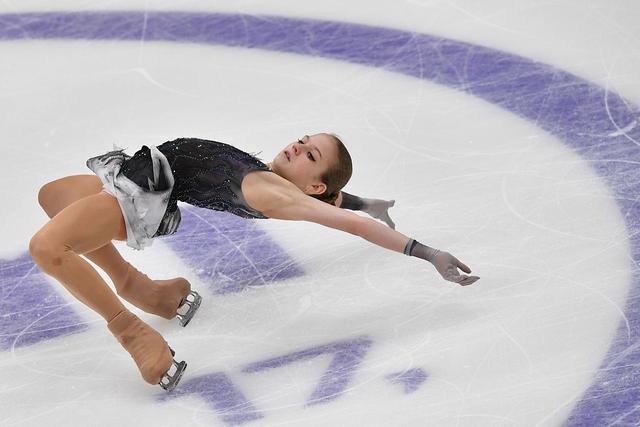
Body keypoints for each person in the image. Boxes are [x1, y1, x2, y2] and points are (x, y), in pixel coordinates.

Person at [29, 133, 479, 391]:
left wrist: (428, 253)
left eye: (309, 155)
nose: (297, 147)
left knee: (48, 249)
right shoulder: (288, 181)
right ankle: (142, 288)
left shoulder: (275, 192)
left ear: (315, 187)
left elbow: (348, 224)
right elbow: (332, 198)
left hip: (142, 196)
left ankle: (130, 330)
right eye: (304, 142)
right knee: (55, 194)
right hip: (142, 175)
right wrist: (363, 202)